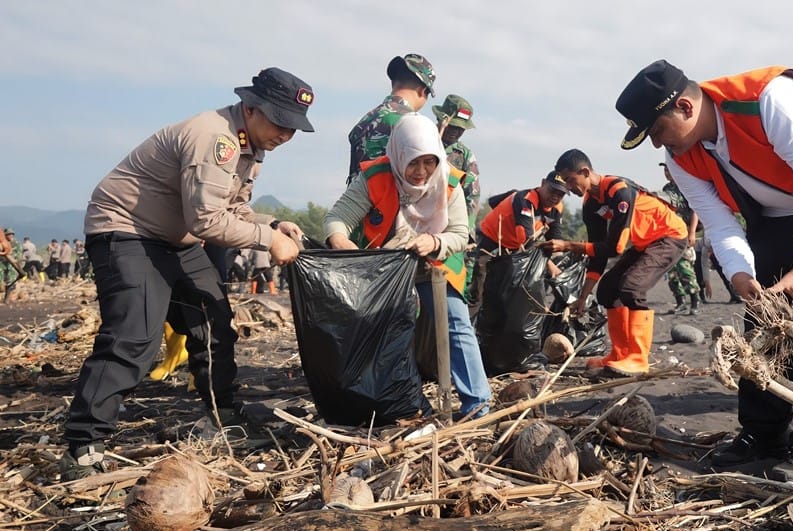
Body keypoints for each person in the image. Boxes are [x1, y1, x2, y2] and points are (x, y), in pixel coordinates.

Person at [615, 60, 793, 484]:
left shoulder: (769, 101)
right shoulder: (680, 159)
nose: (657, 145)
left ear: (687, 107)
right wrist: (742, 276)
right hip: (779, 206)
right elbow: (721, 223)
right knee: (764, 316)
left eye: (656, 131)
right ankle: (762, 435)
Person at [60, 67, 316, 480]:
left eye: (294, 128)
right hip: (127, 230)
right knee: (135, 337)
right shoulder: (214, 138)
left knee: (214, 321)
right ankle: (83, 443)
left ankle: (223, 415)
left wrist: (272, 224)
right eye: (281, 122)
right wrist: (267, 242)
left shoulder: (251, 146)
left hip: (175, 238)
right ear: (251, 108)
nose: (286, 135)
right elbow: (206, 222)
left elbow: (231, 209)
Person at [325, 113, 491, 420]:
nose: (421, 171)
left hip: (437, 260)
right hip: (388, 266)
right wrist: (339, 240)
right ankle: (399, 403)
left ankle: (478, 406)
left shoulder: (448, 180)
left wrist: (434, 242)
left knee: (456, 324)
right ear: (399, 155)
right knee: (384, 328)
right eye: (413, 162)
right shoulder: (376, 177)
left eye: (429, 162)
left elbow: (459, 234)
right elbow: (337, 218)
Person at [539, 149, 688, 377]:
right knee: (607, 290)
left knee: (631, 288)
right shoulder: (590, 204)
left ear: (585, 171)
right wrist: (583, 296)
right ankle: (620, 355)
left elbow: (616, 247)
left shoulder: (620, 191)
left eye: (571, 180)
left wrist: (569, 245)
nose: (569, 188)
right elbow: (598, 252)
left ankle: (638, 358)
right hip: (644, 243)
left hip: (670, 236)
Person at [468, 171, 569, 317]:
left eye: (560, 194)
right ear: (542, 184)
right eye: (552, 190)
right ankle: (473, 315)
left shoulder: (557, 208)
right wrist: (549, 265)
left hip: (516, 245)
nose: (555, 197)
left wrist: (560, 264)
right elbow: (526, 239)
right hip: (493, 237)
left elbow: (555, 238)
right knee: (480, 280)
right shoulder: (526, 201)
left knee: (512, 284)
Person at [347, 54, 436, 183]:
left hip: (357, 200)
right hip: (392, 202)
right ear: (422, 91)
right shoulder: (412, 124)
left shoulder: (365, 121)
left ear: (393, 83)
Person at [432, 94, 482, 298]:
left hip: (450, 232)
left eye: (462, 128)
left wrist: (463, 235)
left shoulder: (465, 156)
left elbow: (472, 199)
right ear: (442, 120)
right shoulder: (421, 141)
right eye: (453, 126)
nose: (457, 132)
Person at [657, 162, 701, 315]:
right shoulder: (666, 190)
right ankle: (680, 301)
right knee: (671, 270)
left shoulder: (686, 186)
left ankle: (695, 301)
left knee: (685, 268)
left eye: (669, 169)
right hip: (670, 233)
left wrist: (692, 233)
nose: (667, 173)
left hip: (684, 232)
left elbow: (695, 210)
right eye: (665, 170)